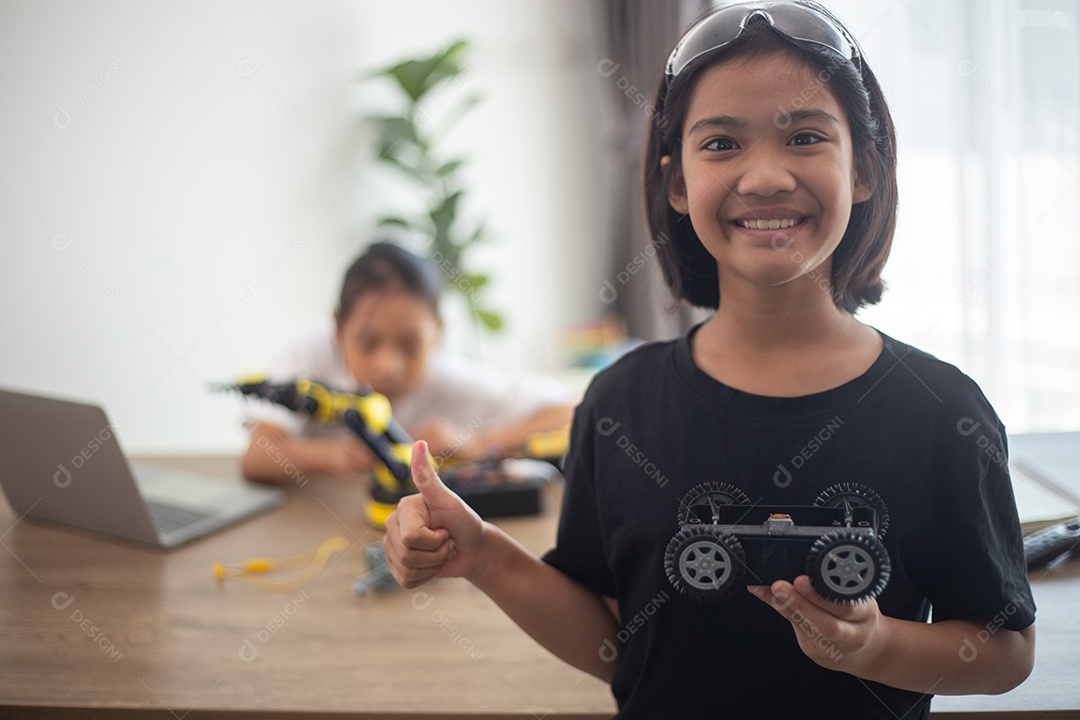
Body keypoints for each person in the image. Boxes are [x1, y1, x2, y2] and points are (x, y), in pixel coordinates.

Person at [381, 2, 1036, 718]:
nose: (764, 177)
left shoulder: (941, 411)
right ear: (678, 185)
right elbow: (615, 642)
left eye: (806, 136)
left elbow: (1004, 651)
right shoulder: (618, 404)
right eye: (722, 144)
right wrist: (482, 555)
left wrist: (875, 646)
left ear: (865, 170)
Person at [242, 241, 574, 483]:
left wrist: (476, 442)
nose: (389, 365)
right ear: (338, 328)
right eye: (368, 342)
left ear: (438, 335)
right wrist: (338, 454)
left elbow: (570, 413)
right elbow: (257, 457)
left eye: (411, 346)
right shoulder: (310, 358)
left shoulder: (446, 375)